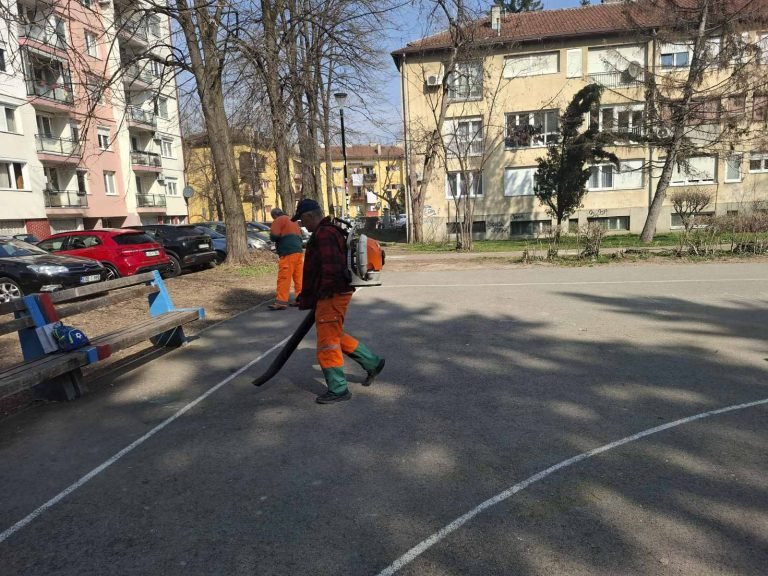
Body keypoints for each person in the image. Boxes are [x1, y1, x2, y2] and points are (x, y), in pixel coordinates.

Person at [292, 199, 385, 404]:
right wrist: (310, 294)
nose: (302, 225)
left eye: (302, 220)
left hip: (331, 295)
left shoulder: (324, 234)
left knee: (327, 343)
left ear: (310, 216)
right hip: (333, 293)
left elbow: (331, 269)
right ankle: (372, 362)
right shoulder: (329, 230)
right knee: (334, 334)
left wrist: (321, 294)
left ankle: (338, 388)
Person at [268, 207, 304, 310]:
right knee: (299, 278)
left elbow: (274, 236)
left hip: (288, 253)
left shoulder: (279, 220)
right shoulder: (293, 221)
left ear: (274, 215)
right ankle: (301, 299)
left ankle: (281, 302)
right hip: (299, 252)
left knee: (284, 277)